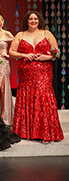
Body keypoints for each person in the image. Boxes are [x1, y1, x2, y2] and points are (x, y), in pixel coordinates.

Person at [9, 11, 64, 143]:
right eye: (30, 19)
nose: (33, 21)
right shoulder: (20, 35)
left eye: (35, 19)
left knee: (43, 97)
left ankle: (46, 133)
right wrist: (24, 55)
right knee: (27, 97)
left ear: (39, 20)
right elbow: (11, 52)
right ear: (26, 21)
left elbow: (56, 52)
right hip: (26, 73)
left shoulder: (46, 34)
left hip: (44, 72)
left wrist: (47, 57)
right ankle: (26, 132)